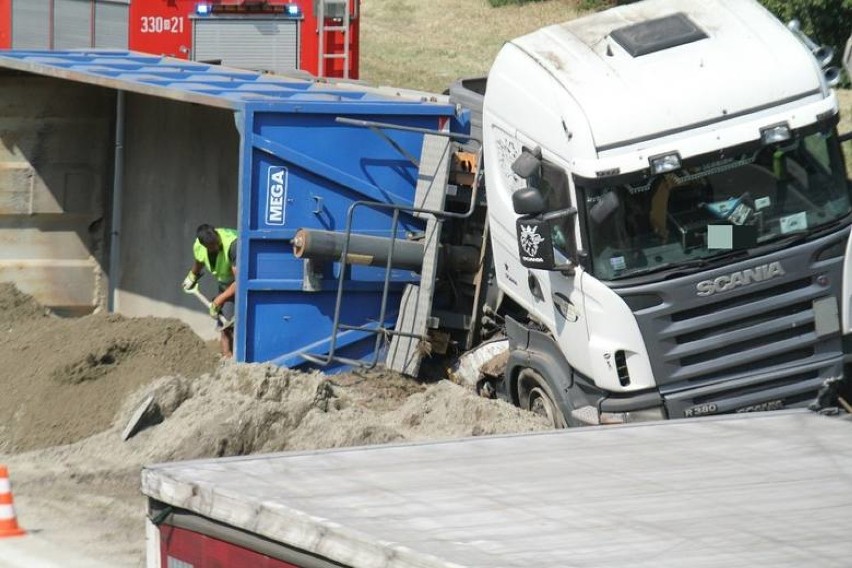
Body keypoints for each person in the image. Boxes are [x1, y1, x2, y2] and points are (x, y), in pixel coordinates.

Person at [182, 224, 238, 358]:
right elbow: (199, 261)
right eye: (211, 246)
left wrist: (219, 300)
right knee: (225, 326)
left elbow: (240, 281)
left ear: (216, 234)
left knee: (237, 325)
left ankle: (240, 358)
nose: (216, 247)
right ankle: (227, 359)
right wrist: (192, 277)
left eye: (216, 243)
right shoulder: (199, 245)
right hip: (225, 284)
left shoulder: (233, 245)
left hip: (241, 283)